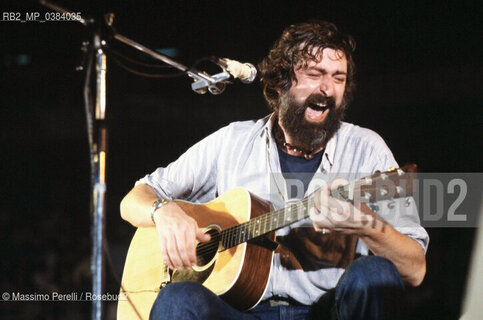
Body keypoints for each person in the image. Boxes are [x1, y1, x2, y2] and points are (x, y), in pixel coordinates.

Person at [120, 20, 428, 320]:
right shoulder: (232, 141)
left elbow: (415, 271)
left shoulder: (367, 149)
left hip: (326, 312)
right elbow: (133, 200)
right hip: (240, 311)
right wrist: (164, 211)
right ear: (281, 80)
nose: (327, 88)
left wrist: (365, 225)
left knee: (375, 273)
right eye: (315, 73)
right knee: (178, 298)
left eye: (338, 77)